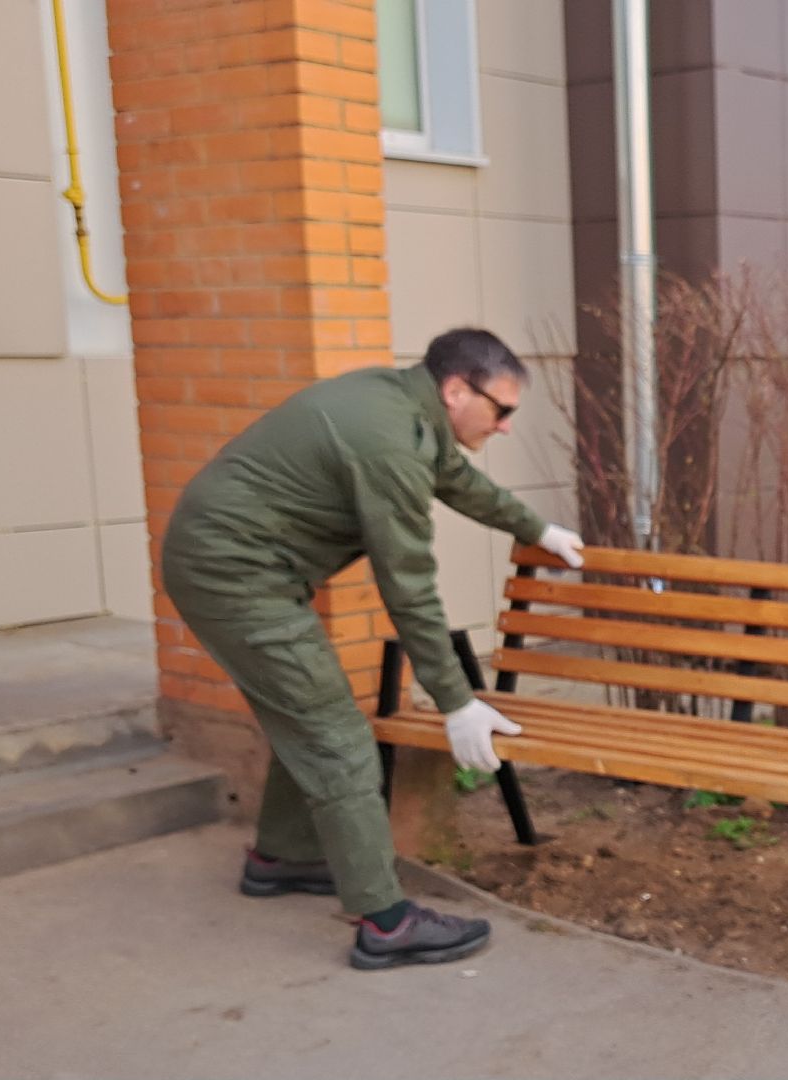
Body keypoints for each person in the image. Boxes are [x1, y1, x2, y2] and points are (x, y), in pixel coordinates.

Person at [161, 327, 585, 970]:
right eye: (502, 410)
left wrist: (537, 528)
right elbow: (408, 584)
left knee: (308, 717)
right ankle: (385, 923)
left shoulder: (401, 407)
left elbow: (457, 480)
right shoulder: (388, 441)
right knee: (337, 736)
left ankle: (283, 858)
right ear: (456, 390)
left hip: (232, 567)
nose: (504, 427)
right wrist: (456, 702)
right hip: (234, 577)